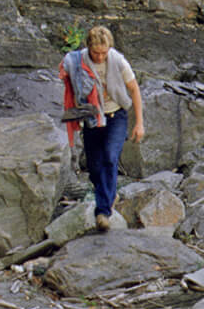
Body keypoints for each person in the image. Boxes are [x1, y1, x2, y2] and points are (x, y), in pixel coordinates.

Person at [59, 25, 145, 231]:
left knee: (109, 157)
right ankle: (108, 192)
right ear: (89, 48)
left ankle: (103, 212)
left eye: (103, 53)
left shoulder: (118, 61)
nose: (99, 57)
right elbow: (66, 70)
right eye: (96, 53)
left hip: (116, 115)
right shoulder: (79, 61)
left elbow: (134, 90)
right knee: (95, 167)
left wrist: (139, 123)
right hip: (92, 116)